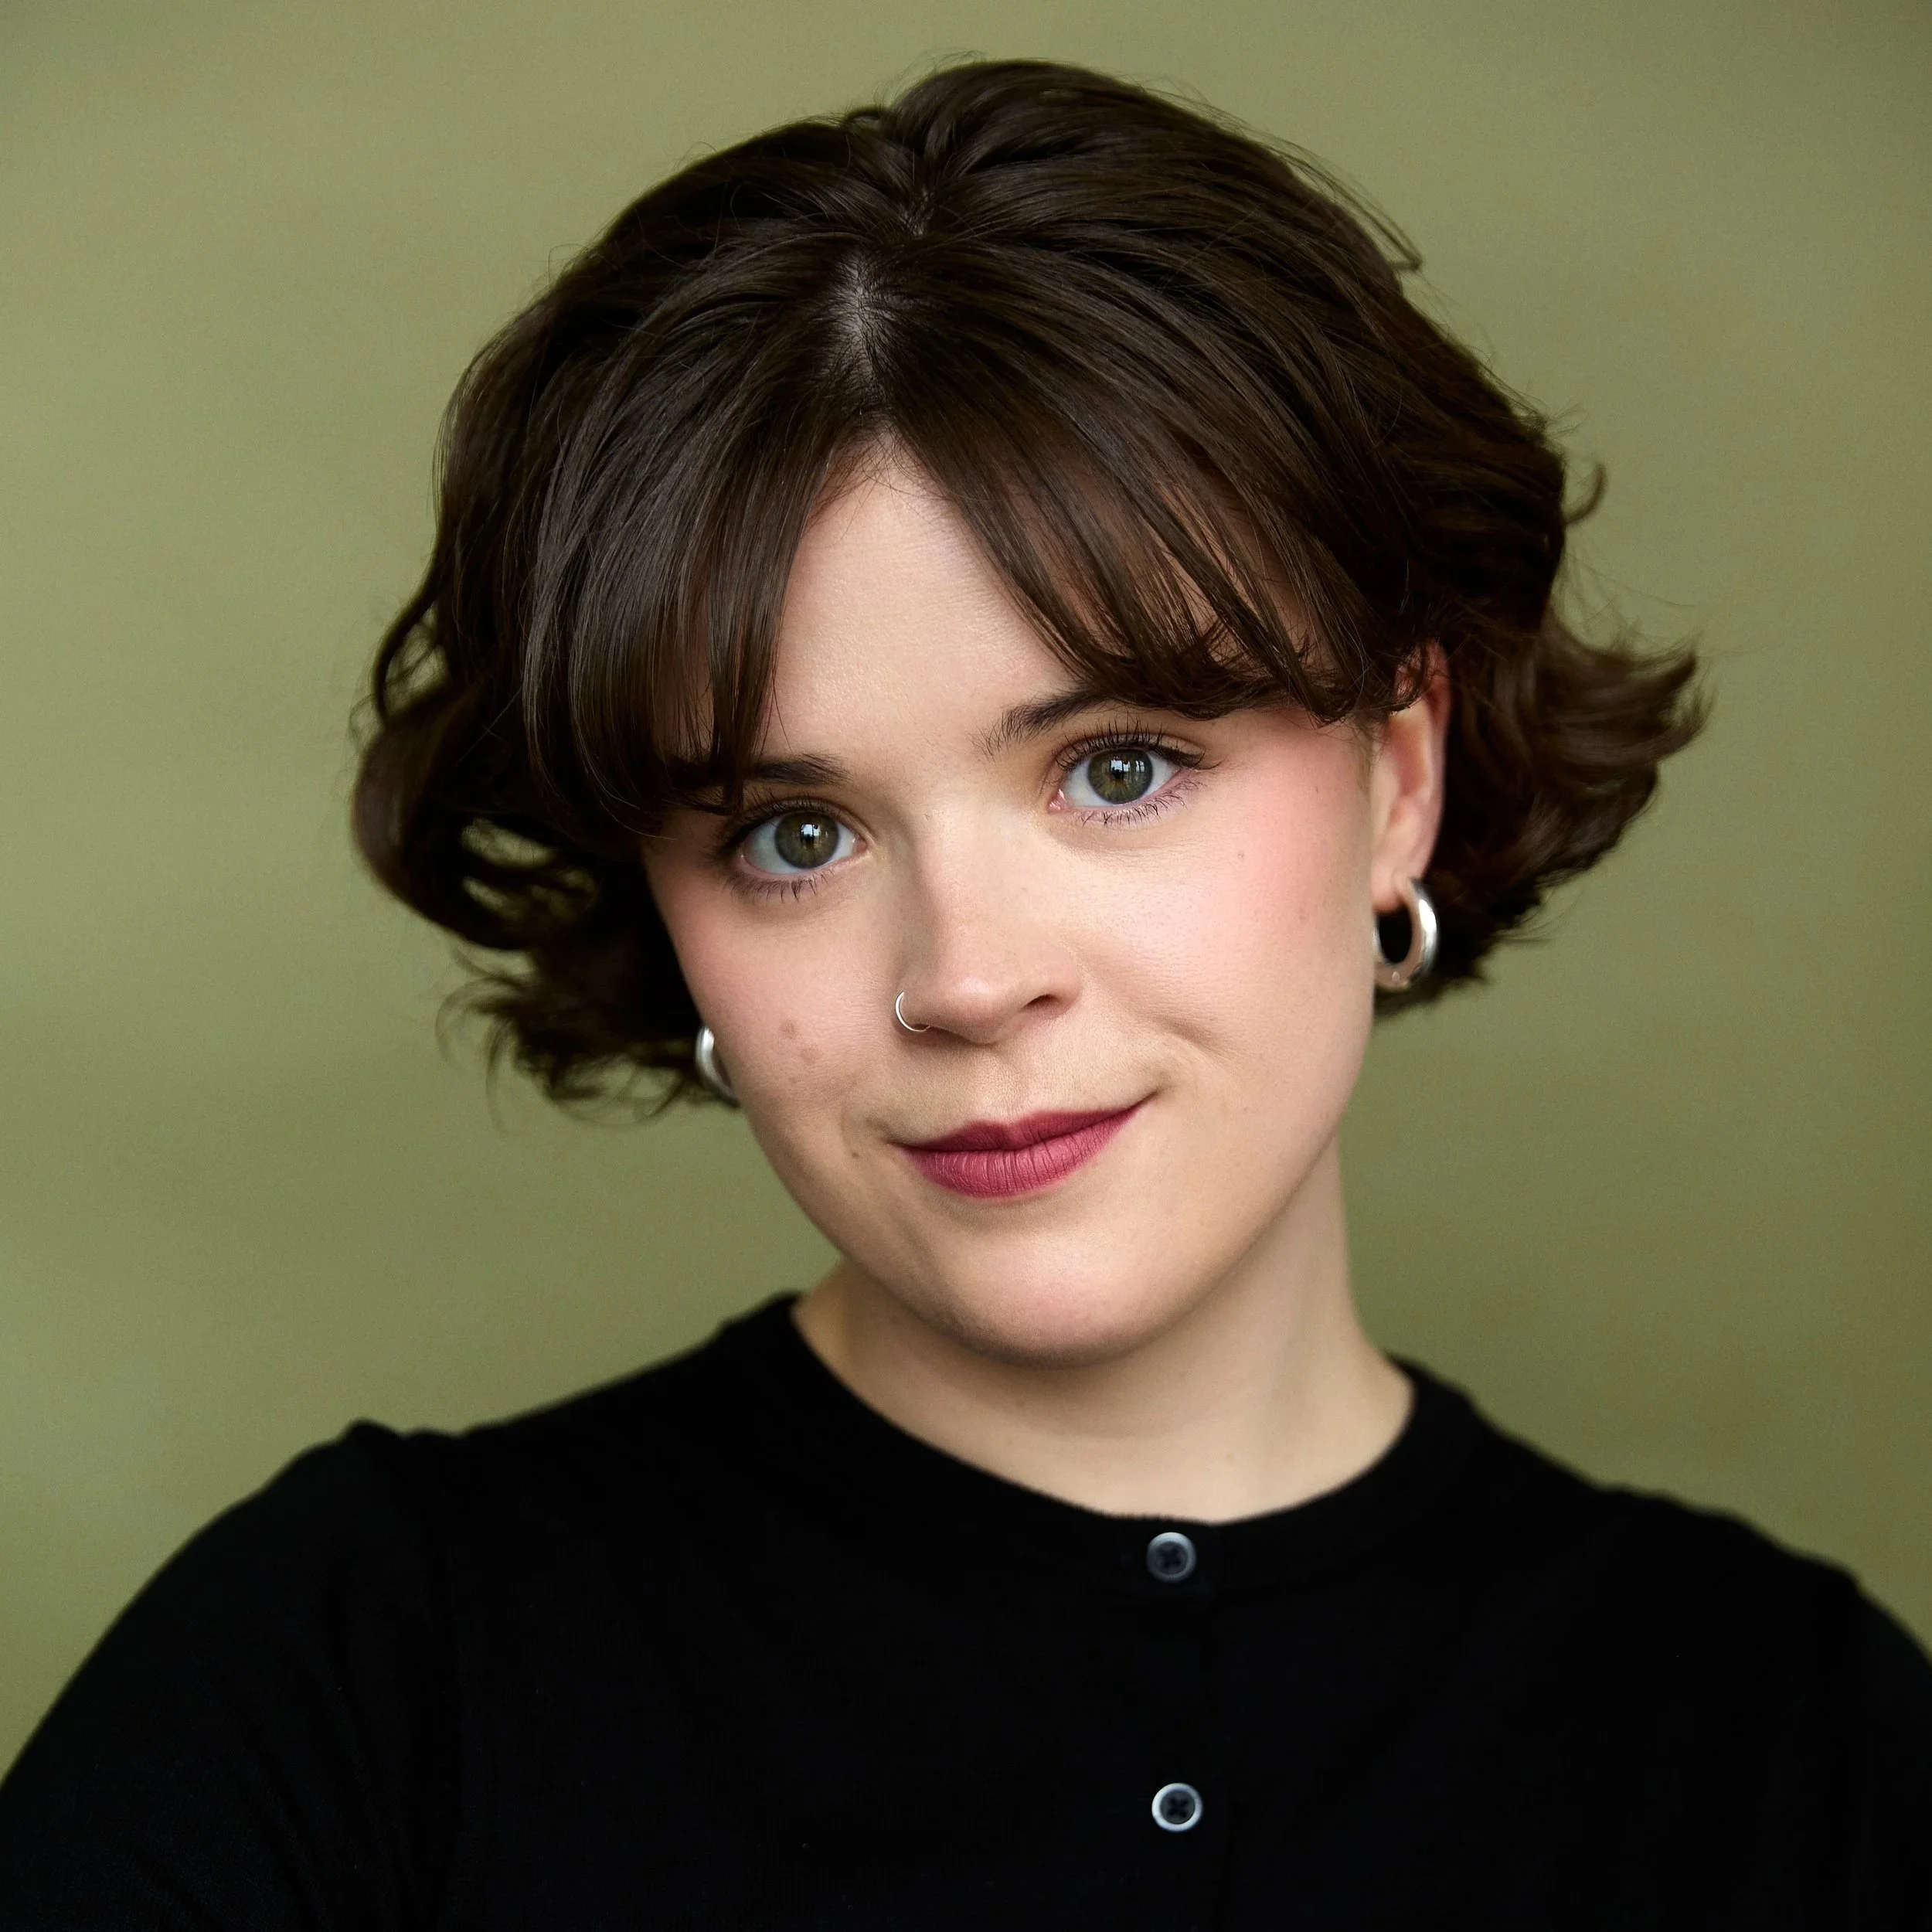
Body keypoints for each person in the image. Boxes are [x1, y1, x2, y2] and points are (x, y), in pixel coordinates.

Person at [2, 56, 1927, 1930]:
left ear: (1395, 776)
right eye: (792, 833)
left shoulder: (1802, 1744)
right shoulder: (350, 1682)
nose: (967, 978)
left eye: (1116, 767)